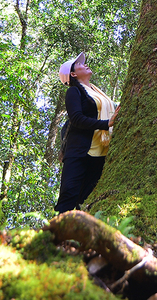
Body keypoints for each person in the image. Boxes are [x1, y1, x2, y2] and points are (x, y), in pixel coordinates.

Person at [54, 51, 119, 213]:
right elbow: (76, 118)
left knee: (87, 198)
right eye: (80, 64)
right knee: (69, 194)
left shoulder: (98, 93)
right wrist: (107, 123)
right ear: (74, 74)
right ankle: (57, 234)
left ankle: (80, 234)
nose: (85, 64)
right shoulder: (74, 92)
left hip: (101, 153)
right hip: (79, 150)